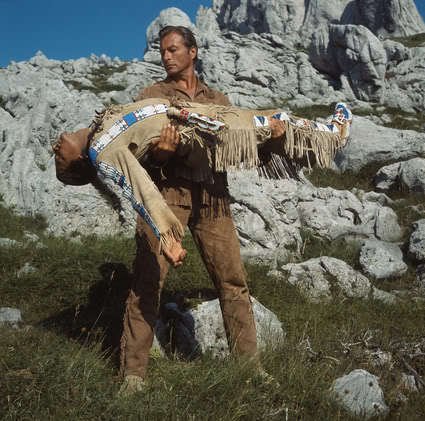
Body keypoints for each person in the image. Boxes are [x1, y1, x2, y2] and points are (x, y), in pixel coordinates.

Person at [53, 26, 352, 395]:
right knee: (147, 283)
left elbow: (234, 144)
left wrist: (269, 138)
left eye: (173, 49)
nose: (166, 56)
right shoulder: (151, 94)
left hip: (213, 196)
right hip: (170, 193)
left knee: (233, 282)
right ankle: (133, 375)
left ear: (193, 52)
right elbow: (139, 164)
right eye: (163, 51)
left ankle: (250, 366)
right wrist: (163, 153)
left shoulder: (216, 97)